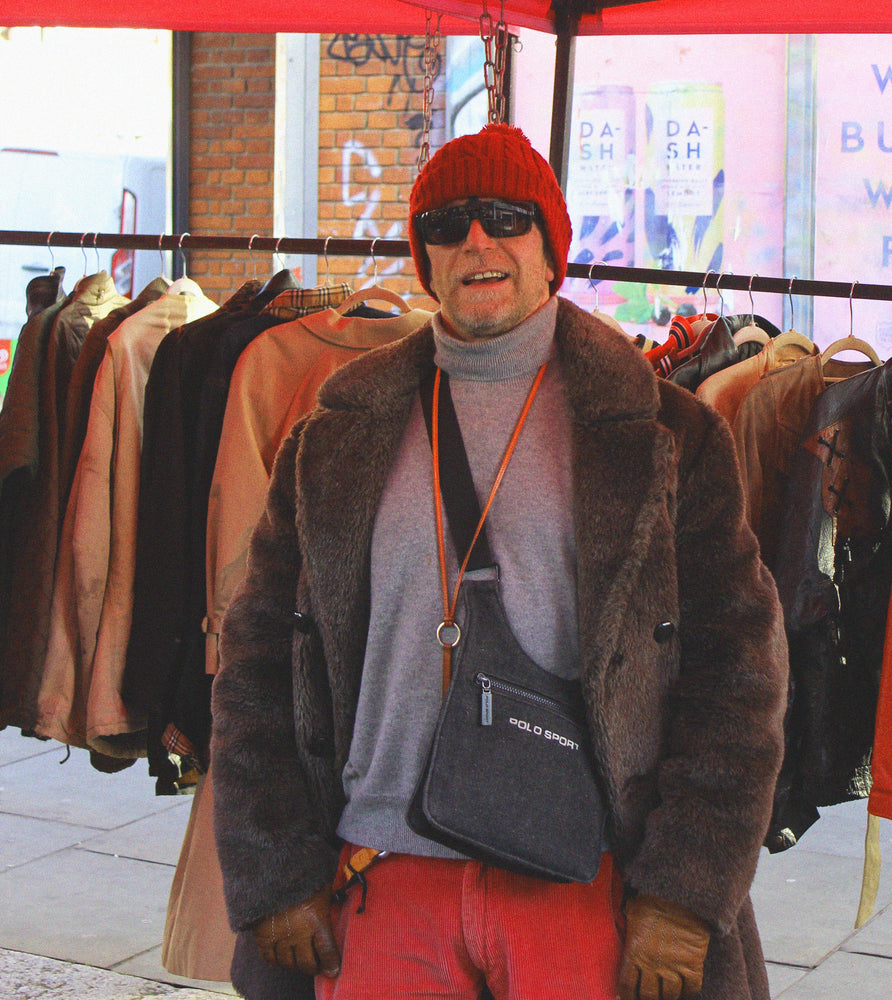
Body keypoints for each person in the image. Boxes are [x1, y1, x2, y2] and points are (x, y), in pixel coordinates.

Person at [211, 123, 788, 1000]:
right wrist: (274, 872)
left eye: (505, 216)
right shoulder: (335, 436)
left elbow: (739, 672)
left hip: (587, 880)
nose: (477, 240)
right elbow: (254, 665)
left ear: (550, 246)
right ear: (424, 258)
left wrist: (682, 891)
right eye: (446, 224)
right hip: (378, 877)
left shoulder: (667, 437)